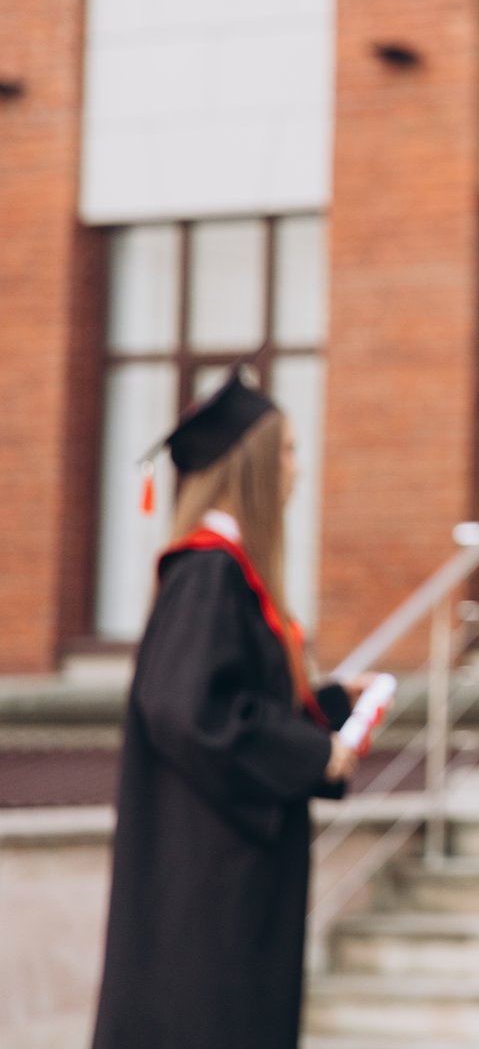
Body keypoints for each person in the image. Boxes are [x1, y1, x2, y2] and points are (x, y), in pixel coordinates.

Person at [92, 370, 368, 1049]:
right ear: (249, 467)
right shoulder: (211, 572)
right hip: (211, 885)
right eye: (287, 451)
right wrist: (313, 753)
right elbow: (190, 710)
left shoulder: (223, 573)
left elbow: (227, 697)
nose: (297, 470)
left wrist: (328, 705)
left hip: (221, 871)